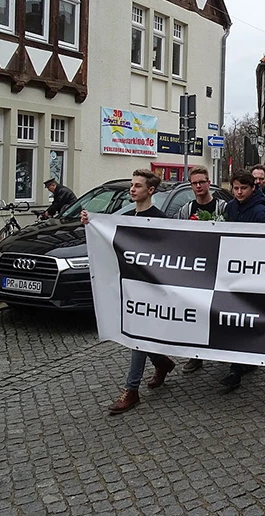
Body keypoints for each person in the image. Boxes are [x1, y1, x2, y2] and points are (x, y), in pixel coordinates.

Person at [81, 170, 176, 415]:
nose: (132, 190)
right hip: (132, 287)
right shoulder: (126, 217)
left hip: (152, 288)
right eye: (132, 185)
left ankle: (131, 390)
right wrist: (90, 222)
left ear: (150, 190)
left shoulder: (160, 220)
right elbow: (109, 238)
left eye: (138, 186)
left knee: (138, 335)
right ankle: (162, 362)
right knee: (140, 334)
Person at [217, 171, 265, 391]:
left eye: (243, 188)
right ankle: (240, 362)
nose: (239, 192)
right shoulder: (230, 208)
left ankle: (236, 369)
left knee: (244, 319)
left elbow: (264, 244)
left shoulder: (260, 211)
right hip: (232, 271)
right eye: (236, 188)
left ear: (253, 188)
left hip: (251, 272)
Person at [176, 166, 228, 374]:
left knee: (220, 313)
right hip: (195, 271)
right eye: (194, 183)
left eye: (202, 182)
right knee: (195, 313)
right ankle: (195, 355)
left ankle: (225, 352)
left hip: (219, 269)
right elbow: (174, 234)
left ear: (209, 183)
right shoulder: (186, 210)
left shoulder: (222, 208)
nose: (198, 186)